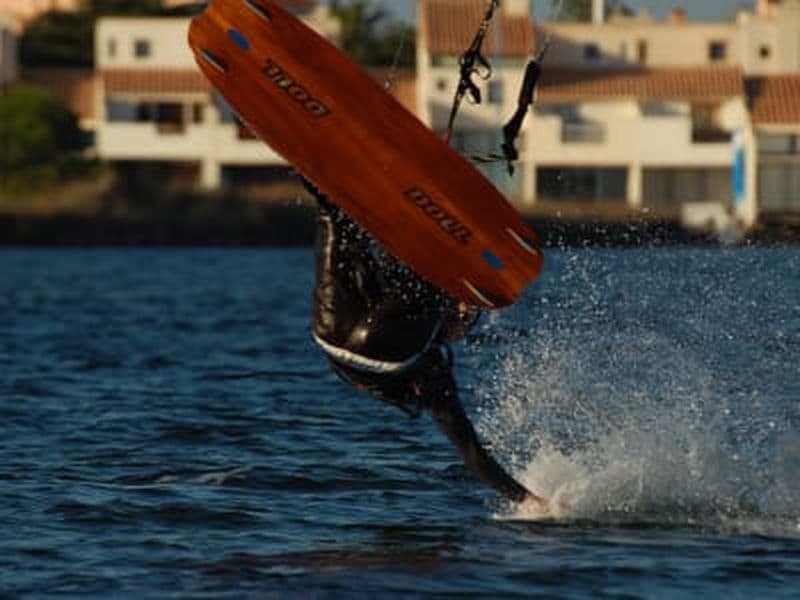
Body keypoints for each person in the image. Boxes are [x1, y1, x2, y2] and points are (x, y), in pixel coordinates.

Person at [308, 181, 548, 510]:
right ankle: (316, 178)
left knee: (337, 223)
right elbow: (473, 454)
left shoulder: (429, 364)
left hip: (342, 331)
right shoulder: (434, 383)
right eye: (462, 312)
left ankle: (319, 188)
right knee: (338, 218)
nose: (461, 313)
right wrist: (527, 499)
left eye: (463, 314)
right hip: (333, 338)